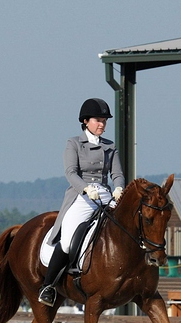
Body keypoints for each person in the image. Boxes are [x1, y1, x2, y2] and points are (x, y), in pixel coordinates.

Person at [38, 98, 125, 306]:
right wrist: (86, 188)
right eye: (98, 120)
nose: (102, 124)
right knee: (67, 241)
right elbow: (70, 172)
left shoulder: (110, 146)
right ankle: (48, 287)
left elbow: (118, 174)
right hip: (82, 196)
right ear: (86, 121)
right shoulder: (74, 143)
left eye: (104, 120)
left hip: (105, 195)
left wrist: (120, 187)